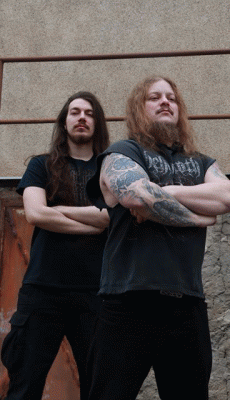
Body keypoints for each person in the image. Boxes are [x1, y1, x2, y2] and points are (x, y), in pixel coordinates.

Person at [85, 76, 230, 400]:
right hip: (128, 301)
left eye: (171, 97)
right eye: (154, 97)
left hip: (186, 303)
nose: (165, 102)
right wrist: (199, 217)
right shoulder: (122, 152)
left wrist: (166, 192)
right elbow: (137, 196)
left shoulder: (200, 162)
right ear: (138, 109)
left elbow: (228, 198)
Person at [0, 91, 110, 399]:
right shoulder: (41, 165)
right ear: (64, 122)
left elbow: (110, 217)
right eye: (75, 112)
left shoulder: (111, 170)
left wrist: (57, 211)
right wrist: (95, 224)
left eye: (89, 113)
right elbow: (36, 214)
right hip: (43, 290)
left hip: (96, 292)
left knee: (99, 386)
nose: (82, 118)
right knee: (24, 385)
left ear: (97, 123)